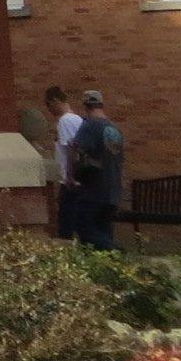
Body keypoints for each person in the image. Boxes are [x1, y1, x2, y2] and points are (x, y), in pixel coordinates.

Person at [66, 89, 127, 252]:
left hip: (94, 189)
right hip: (112, 191)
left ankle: (114, 249)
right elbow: (121, 162)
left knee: (83, 227)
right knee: (104, 230)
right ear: (101, 104)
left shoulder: (90, 125)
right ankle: (109, 267)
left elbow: (76, 150)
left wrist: (71, 177)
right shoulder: (115, 129)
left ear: (85, 105)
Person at [47, 85, 84, 239]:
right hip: (79, 179)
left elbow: (71, 150)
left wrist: (68, 177)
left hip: (70, 180)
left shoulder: (65, 121)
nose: (50, 110)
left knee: (66, 223)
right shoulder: (78, 119)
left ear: (55, 101)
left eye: (49, 105)